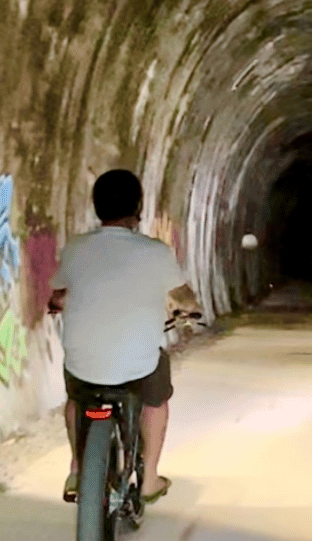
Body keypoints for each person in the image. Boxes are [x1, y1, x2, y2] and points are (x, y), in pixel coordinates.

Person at [47, 169, 202, 505]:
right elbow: (182, 294)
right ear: (138, 207)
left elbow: (60, 293)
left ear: (96, 207)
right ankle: (148, 481)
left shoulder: (75, 248)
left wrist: (57, 304)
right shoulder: (156, 252)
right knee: (156, 402)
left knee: (76, 400)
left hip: (83, 359)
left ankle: (77, 466)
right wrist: (190, 309)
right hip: (139, 363)